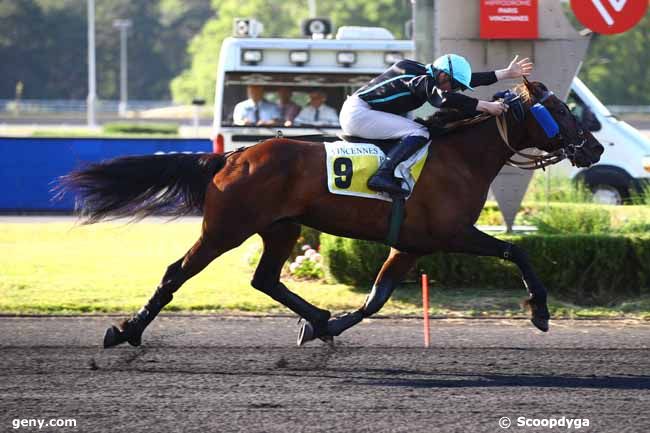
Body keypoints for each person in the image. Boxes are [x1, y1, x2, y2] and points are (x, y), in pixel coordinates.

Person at [339, 54, 533, 196]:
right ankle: (383, 175)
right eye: (452, 84)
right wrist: (485, 106)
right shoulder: (419, 79)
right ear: (442, 76)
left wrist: (505, 73)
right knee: (420, 132)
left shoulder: (429, 73)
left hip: (364, 111)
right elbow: (442, 97)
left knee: (416, 130)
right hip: (359, 114)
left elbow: (465, 80)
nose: (454, 88)